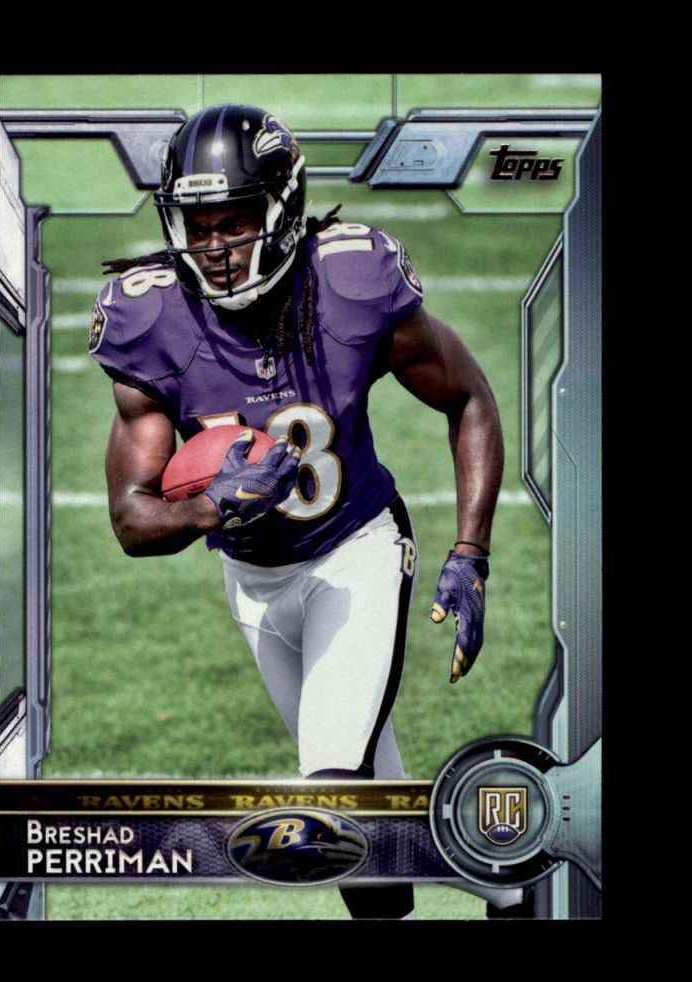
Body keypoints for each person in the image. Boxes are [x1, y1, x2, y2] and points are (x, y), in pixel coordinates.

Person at [88, 104, 504, 920]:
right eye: (198, 225)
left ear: (281, 212)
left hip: (356, 553)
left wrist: (470, 553)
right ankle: (511, 878)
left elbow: (469, 398)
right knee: (373, 798)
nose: (214, 246)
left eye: (234, 222)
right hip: (253, 584)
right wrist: (211, 507)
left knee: (330, 794)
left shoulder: (349, 282)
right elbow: (131, 518)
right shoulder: (152, 317)